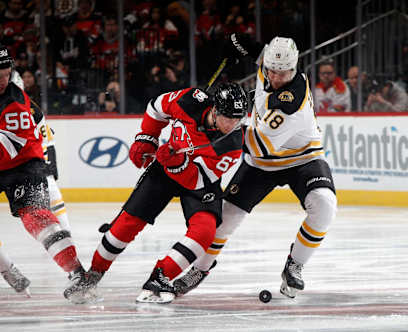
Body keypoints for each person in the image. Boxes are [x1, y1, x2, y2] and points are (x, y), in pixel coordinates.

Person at [174, 34, 337, 299]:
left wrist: (215, 124)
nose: (274, 77)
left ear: (293, 70)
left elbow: (256, 145)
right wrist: (232, 43)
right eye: (270, 70)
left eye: (282, 74)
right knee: (223, 221)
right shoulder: (271, 65)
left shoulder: (291, 103)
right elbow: (250, 46)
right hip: (261, 164)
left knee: (325, 204)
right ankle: (199, 270)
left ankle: (295, 264)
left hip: (301, 159)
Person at [63, 82, 248, 304]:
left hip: (199, 182)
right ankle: (94, 272)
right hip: (165, 166)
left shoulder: (234, 143)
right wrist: (147, 137)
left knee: (206, 231)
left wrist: (178, 164)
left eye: (238, 119)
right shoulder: (190, 100)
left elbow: (198, 180)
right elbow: (156, 106)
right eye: (229, 118)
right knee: (125, 225)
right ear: (215, 110)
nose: (233, 124)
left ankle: (160, 276)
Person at [0, 45, 85, 301]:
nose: (3, 81)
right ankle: (9, 271)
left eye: (6, 73)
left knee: (37, 217)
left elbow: (11, 147)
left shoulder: (16, 103)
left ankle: (77, 273)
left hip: (23, 165)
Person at [12, 68, 72, 232]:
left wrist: (49, 170)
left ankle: (64, 238)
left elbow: (46, 141)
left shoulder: (32, 110)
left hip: (28, 164)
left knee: (52, 195)